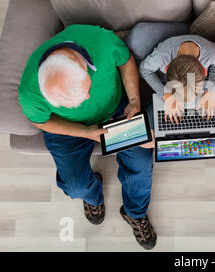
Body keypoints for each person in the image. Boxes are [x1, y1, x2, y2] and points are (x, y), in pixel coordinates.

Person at [18, 25, 157, 250]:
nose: (89, 96)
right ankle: (93, 196)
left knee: (141, 163)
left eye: (86, 89)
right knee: (75, 187)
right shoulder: (29, 92)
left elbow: (125, 61)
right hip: (69, 129)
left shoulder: (101, 41)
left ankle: (135, 213)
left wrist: (134, 101)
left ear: (83, 65)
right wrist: (85, 132)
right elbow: (40, 121)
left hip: (115, 113)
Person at [137, 34, 215, 151]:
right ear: (166, 69)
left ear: (204, 71)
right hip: (168, 94)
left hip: (204, 91)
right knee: (145, 141)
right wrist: (166, 96)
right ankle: (205, 141)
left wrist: (210, 89)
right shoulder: (161, 56)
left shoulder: (212, 53)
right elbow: (144, 69)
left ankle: (182, 143)